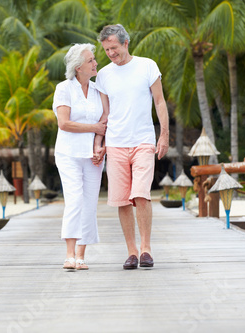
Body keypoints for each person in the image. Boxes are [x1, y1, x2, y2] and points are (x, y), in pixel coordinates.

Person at [93, 24, 169, 269]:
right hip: (115, 145)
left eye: (114, 47)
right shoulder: (103, 75)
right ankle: (132, 252)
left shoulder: (147, 66)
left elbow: (159, 101)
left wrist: (164, 135)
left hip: (143, 141)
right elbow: (105, 115)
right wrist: (100, 143)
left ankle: (146, 249)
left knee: (141, 195)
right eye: (106, 50)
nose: (111, 53)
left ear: (126, 43)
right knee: (122, 200)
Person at [52, 43, 107, 270]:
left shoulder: (98, 90)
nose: (95, 63)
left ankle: (82, 255)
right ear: (78, 67)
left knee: (89, 203)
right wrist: (94, 128)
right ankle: (69, 254)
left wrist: (98, 147)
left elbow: (104, 123)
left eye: (94, 59)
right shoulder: (64, 88)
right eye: (91, 60)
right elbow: (64, 123)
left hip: (93, 157)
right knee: (74, 200)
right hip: (68, 154)